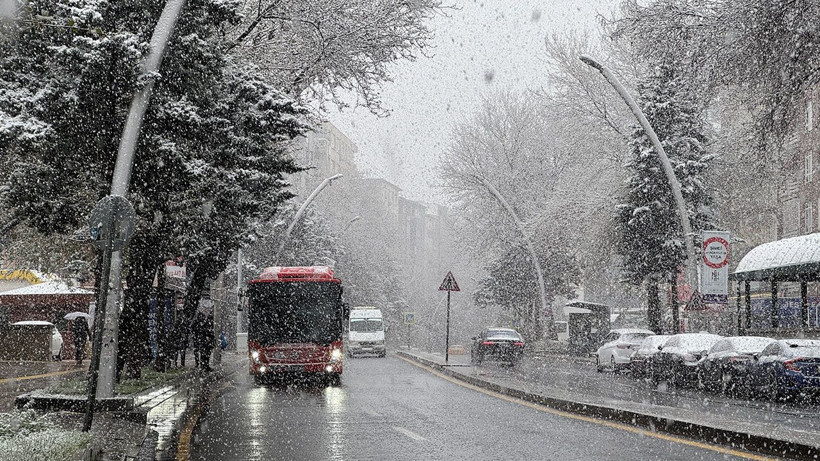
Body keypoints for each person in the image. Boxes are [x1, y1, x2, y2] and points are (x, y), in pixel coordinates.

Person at [192, 294, 215, 372]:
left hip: (207, 338)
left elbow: (211, 328)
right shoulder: (199, 317)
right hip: (201, 338)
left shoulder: (210, 317)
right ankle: (201, 365)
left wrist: (211, 336)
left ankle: (206, 365)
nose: (207, 310)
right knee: (202, 352)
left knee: (207, 353)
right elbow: (194, 327)